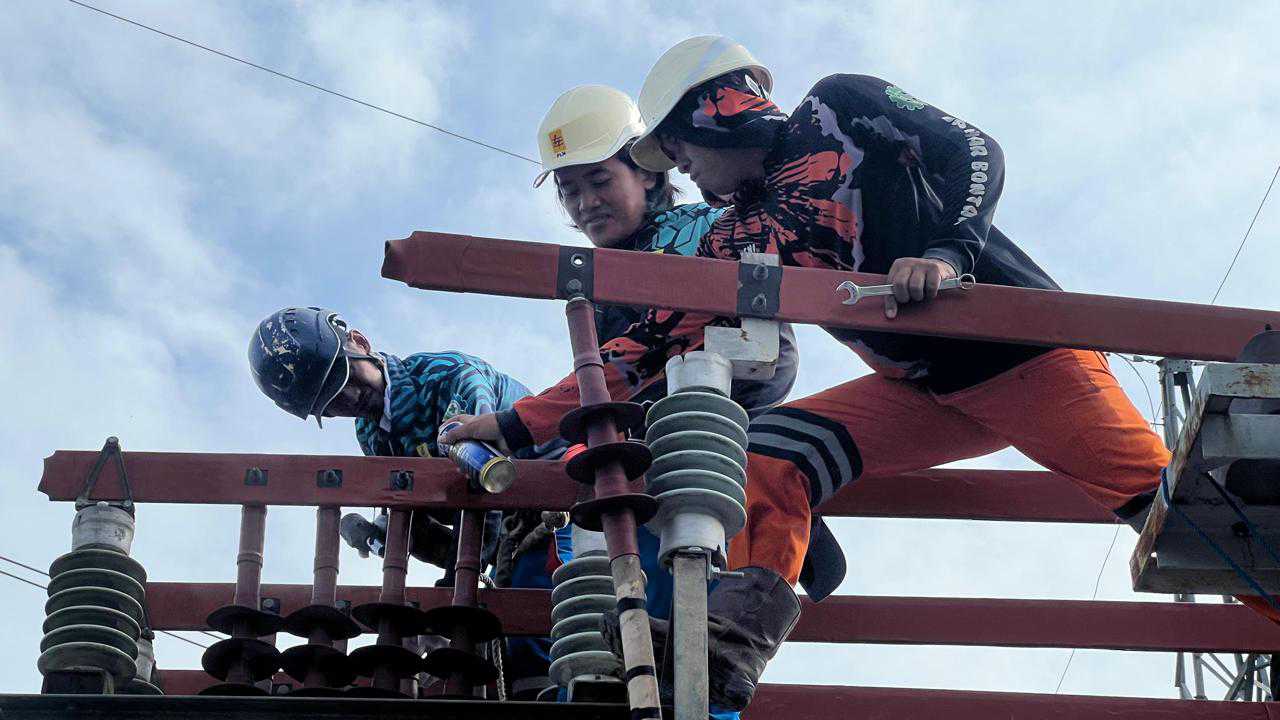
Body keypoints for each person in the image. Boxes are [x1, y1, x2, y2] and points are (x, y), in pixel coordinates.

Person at [442, 36, 1183, 711]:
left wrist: (949, 253)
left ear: (714, 113)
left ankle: (1250, 602)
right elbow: (647, 345)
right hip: (922, 389)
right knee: (766, 457)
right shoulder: (738, 234)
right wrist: (511, 424)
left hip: (1024, 359)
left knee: (1177, 518)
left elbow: (972, 150)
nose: (683, 169)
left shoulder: (838, 109)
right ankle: (725, 654)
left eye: (681, 149)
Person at [532, 86, 797, 717]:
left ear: (649, 174)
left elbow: (772, 354)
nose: (586, 203)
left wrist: (689, 400)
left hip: (706, 457)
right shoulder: (599, 280)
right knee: (604, 603)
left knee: (696, 633)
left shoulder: (709, 230)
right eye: (570, 191)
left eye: (600, 180)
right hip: (641, 468)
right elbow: (609, 381)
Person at [247, 306, 570, 699]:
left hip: (556, 512)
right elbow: (429, 521)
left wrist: (453, 593)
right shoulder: (371, 435)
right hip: (504, 542)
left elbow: (484, 490)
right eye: (327, 404)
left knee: (531, 628)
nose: (346, 398)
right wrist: (393, 536)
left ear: (359, 343)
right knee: (504, 630)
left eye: (339, 378)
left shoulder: (449, 376)